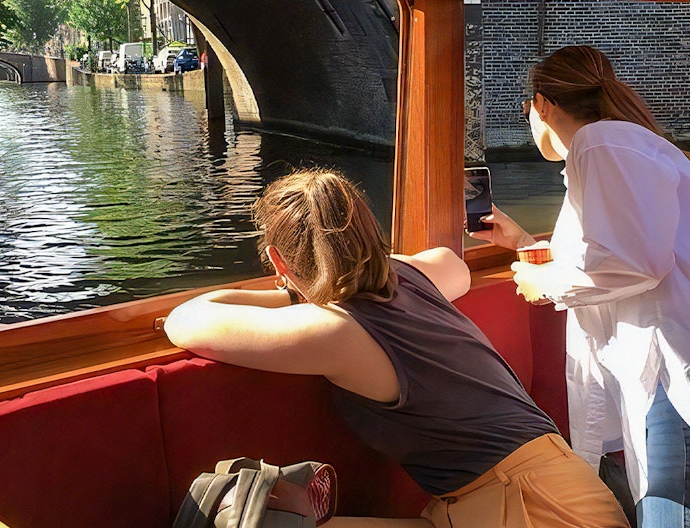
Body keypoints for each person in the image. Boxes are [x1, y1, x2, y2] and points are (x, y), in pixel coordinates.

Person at [164, 169, 628, 528]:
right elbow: (455, 266)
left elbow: (186, 321)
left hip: (526, 510)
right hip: (553, 490)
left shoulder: (333, 330)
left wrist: (294, 292)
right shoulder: (417, 277)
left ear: (281, 261)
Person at [471, 46, 690, 528]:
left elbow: (634, 263)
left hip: (684, 395)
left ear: (541, 105)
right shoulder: (629, 146)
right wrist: (523, 242)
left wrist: (545, 285)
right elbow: (617, 256)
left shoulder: (601, 143)